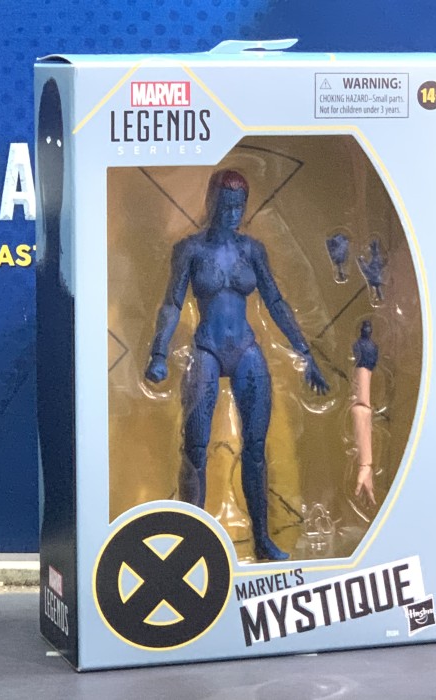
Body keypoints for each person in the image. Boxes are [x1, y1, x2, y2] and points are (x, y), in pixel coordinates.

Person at [145, 170, 329, 560]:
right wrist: (158, 354)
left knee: (256, 449)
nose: (232, 214)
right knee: (195, 449)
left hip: (246, 348)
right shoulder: (191, 250)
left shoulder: (252, 250)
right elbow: (172, 303)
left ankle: (261, 538)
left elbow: (275, 302)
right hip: (207, 349)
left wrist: (305, 352)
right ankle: (191, 543)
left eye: (239, 207)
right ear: (212, 203)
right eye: (226, 206)